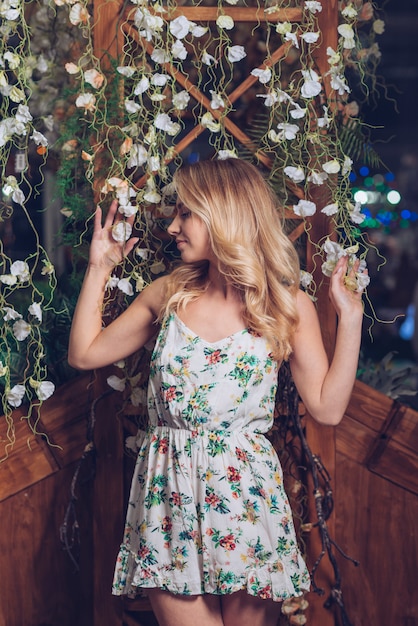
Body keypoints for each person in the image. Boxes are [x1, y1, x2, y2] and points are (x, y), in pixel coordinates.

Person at [68, 157, 364, 626]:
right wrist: (99, 268)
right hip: (169, 498)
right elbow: (85, 353)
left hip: (245, 499)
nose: (171, 226)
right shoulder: (170, 293)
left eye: (185, 213)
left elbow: (327, 409)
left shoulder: (286, 305)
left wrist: (350, 320)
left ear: (222, 213)